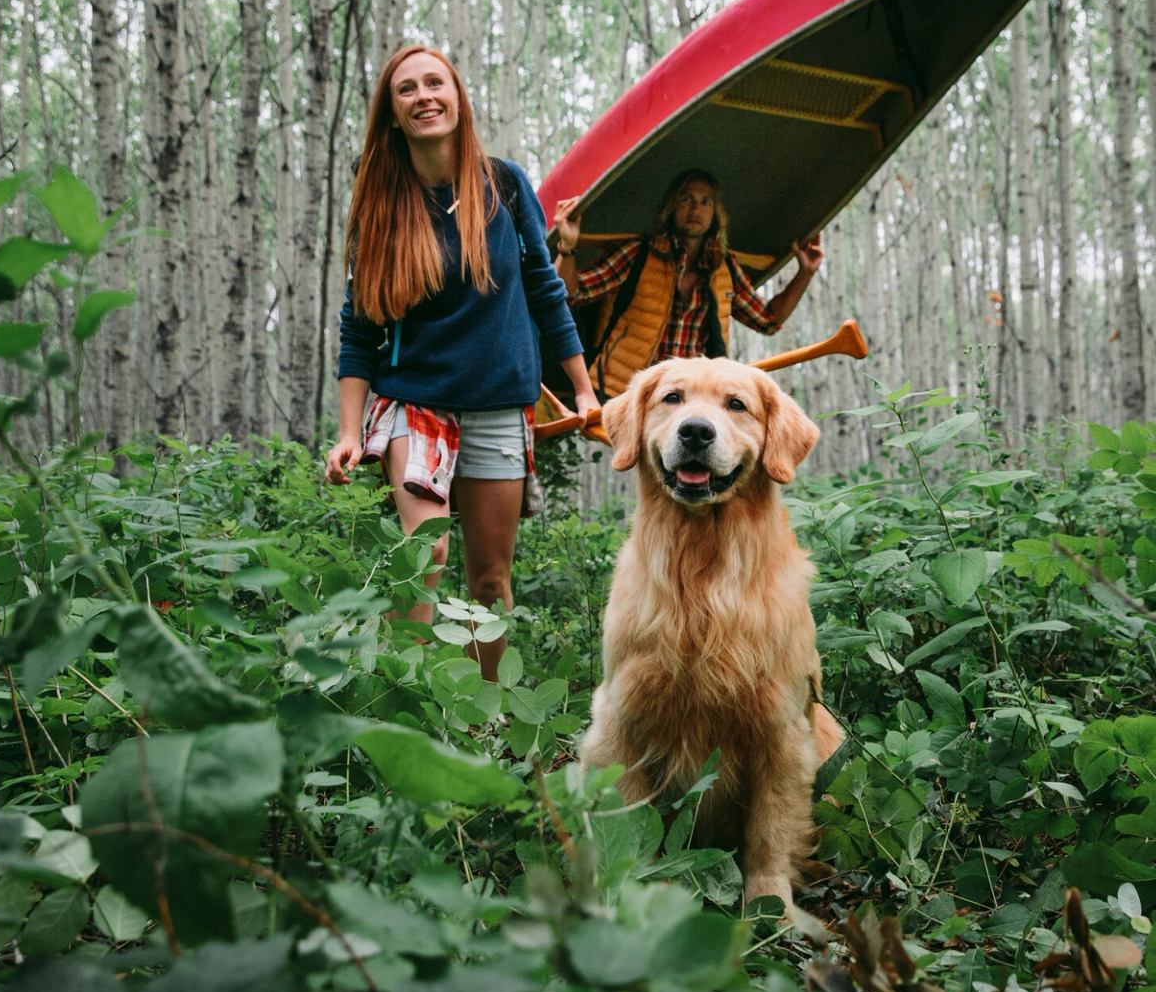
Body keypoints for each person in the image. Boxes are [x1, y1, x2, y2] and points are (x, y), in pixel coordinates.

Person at [325, 45, 599, 682]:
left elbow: (543, 288)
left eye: (435, 83)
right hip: (414, 402)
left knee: (490, 576)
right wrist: (347, 430)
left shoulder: (502, 185)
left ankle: (488, 718)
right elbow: (358, 326)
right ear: (392, 115)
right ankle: (410, 713)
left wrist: (583, 390)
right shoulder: (382, 203)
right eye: (406, 90)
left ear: (457, 96)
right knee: (426, 556)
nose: (424, 96)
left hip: (500, 406)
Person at [551, 169, 824, 399]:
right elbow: (573, 292)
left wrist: (806, 272)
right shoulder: (639, 253)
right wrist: (567, 248)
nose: (696, 209)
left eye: (706, 202)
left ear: (715, 212)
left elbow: (768, 319)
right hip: (629, 394)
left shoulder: (723, 267)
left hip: (690, 401)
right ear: (672, 206)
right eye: (687, 199)